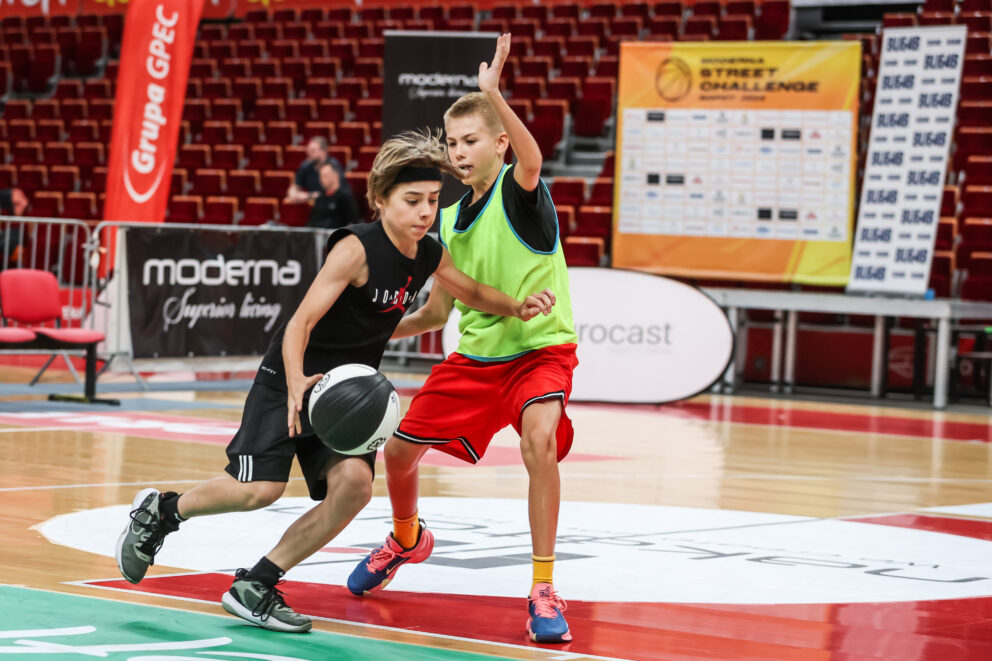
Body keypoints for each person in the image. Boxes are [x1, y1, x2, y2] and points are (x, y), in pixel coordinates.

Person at [115, 129, 556, 633]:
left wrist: (517, 306)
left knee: (354, 487)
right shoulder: (355, 249)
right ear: (380, 200)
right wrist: (296, 381)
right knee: (259, 489)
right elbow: (300, 323)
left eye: (433, 201)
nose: (425, 212)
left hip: (347, 389)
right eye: (412, 200)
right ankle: (162, 512)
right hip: (292, 376)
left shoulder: (428, 254)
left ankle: (256, 584)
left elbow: (470, 292)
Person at [347, 34, 579, 645]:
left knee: (538, 441)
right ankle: (406, 538)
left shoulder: (520, 193)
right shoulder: (445, 222)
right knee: (397, 455)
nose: (459, 152)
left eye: (470, 140)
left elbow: (532, 159)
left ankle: (543, 587)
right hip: (475, 360)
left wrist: (494, 94)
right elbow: (436, 312)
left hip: (540, 352)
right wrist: (367, 332)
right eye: (452, 143)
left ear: (499, 143)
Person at [284, 136, 350, 204]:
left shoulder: (333, 166)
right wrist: (293, 194)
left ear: (323, 152)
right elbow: (296, 186)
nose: (309, 153)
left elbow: (336, 193)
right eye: (308, 150)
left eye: (313, 150)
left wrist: (309, 196)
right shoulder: (305, 166)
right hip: (313, 204)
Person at [307, 163, 361, 230]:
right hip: (318, 234)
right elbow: (311, 222)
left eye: (325, 176)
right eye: (320, 176)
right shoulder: (319, 198)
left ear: (335, 176)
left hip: (337, 234)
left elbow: (353, 222)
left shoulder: (344, 197)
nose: (321, 180)